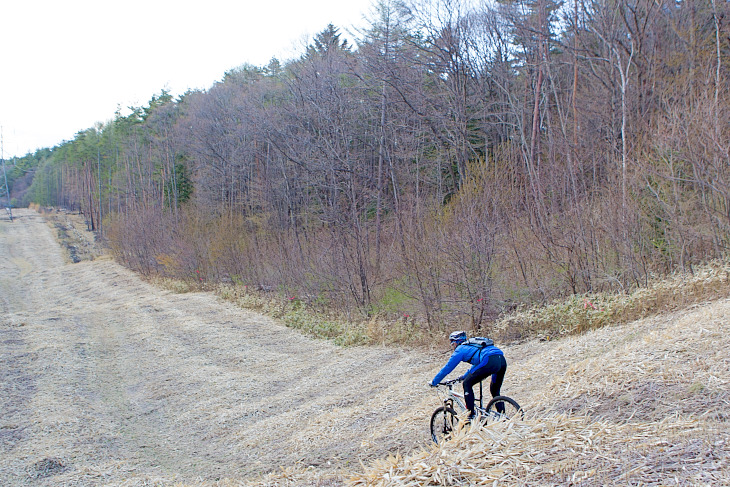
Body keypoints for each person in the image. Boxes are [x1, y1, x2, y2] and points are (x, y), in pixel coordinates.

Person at [430, 330, 507, 420]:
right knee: (495, 391)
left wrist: (434, 381)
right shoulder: (472, 346)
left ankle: (471, 415)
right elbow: (477, 365)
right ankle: (503, 417)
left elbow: (447, 368)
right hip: (501, 360)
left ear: (456, 343)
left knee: (467, 383)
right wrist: (464, 376)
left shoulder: (460, 350)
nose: (453, 347)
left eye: (452, 344)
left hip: (488, 360)